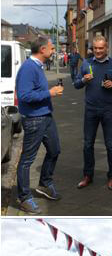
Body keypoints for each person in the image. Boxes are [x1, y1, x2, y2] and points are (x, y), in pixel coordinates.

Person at [15, 36, 63, 214]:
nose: (53, 50)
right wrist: (49, 93)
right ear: (42, 50)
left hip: (46, 117)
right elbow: (24, 96)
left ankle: (44, 183)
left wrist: (48, 93)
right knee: (27, 160)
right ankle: (24, 197)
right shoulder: (29, 68)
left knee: (54, 150)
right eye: (51, 48)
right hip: (34, 119)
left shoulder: (37, 66)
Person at [74, 36, 112, 191]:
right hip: (90, 109)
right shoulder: (86, 63)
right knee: (87, 144)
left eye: (101, 48)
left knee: (110, 144)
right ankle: (87, 175)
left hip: (108, 110)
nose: (98, 51)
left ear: (106, 49)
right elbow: (76, 84)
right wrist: (84, 80)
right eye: (95, 48)